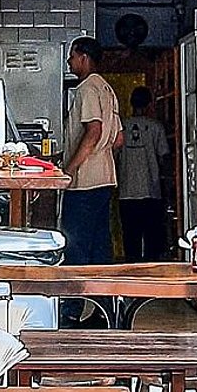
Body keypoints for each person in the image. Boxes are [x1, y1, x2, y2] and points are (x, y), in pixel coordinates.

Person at [58, 40, 122, 316]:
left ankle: (72, 310)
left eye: (72, 57)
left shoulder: (86, 88)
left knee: (75, 247)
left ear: (84, 58)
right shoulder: (107, 89)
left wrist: (70, 168)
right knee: (99, 250)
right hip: (105, 179)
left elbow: (93, 131)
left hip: (84, 183)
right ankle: (103, 312)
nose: (70, 62)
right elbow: (117, 139)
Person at [118, 90, 172, 261]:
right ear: (150, 104)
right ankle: (151, 272)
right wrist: (169, 185)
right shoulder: (156, 127)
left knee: (130, 240)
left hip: (127, 191)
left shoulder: (122, 127)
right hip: (151, 191)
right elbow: (164, 157)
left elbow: (114, 156)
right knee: (152, 241)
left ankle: (131, 270)